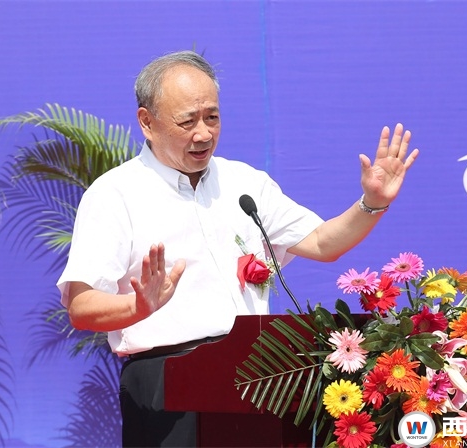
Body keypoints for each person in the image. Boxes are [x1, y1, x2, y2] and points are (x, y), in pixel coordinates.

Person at [57, 50, 419, 447]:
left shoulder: (244, 183)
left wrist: (373, 203)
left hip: (261, 376)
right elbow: (81, 305)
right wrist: (137, 307)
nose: (203, 134)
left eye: (212, 117)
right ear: (147, 122)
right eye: (187, 121)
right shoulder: (115, 194)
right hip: (167, 386)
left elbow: (322, 242)